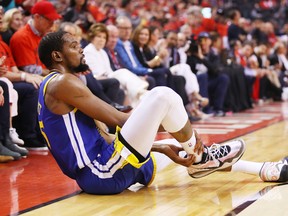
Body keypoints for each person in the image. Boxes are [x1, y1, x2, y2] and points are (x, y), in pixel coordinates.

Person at [37, 30, 245, 195]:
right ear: (57, 56)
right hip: (101, 172)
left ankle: (262, 169)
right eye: (74, 46)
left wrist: (164, 144)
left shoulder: (57, 85)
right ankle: (201, 159)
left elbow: (108, 136)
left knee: (178, 146)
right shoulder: (62, 83)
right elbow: (120, 121)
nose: (82, 50)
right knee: (162, 95)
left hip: (105, 167)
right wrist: (183, 129)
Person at [83, 23, 149, 108]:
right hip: (97, 79)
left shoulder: (102, 52)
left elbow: (109, 71)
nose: (102, 40)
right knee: (121, 73)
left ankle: (136, 107)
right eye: (99, 36)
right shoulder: (88, 50)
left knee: (124, 88)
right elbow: (96, 74)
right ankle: (141, 92)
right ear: (92, 37)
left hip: (107, 75)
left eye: (104, 37)